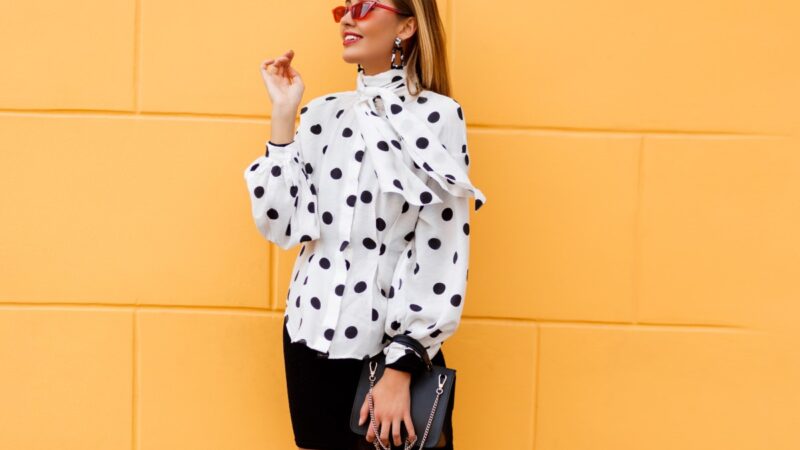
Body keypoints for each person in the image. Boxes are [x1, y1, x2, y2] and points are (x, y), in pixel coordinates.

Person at [243, 1, 486, 449]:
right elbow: (282, 225)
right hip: (308, 341)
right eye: (345, 8)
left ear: (407, 26)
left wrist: (401, 369)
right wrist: (283, 115)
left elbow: (441, 245)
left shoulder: (437, 116)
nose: (349, 18)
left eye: (366, 5)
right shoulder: (321, 115)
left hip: (387, 352)